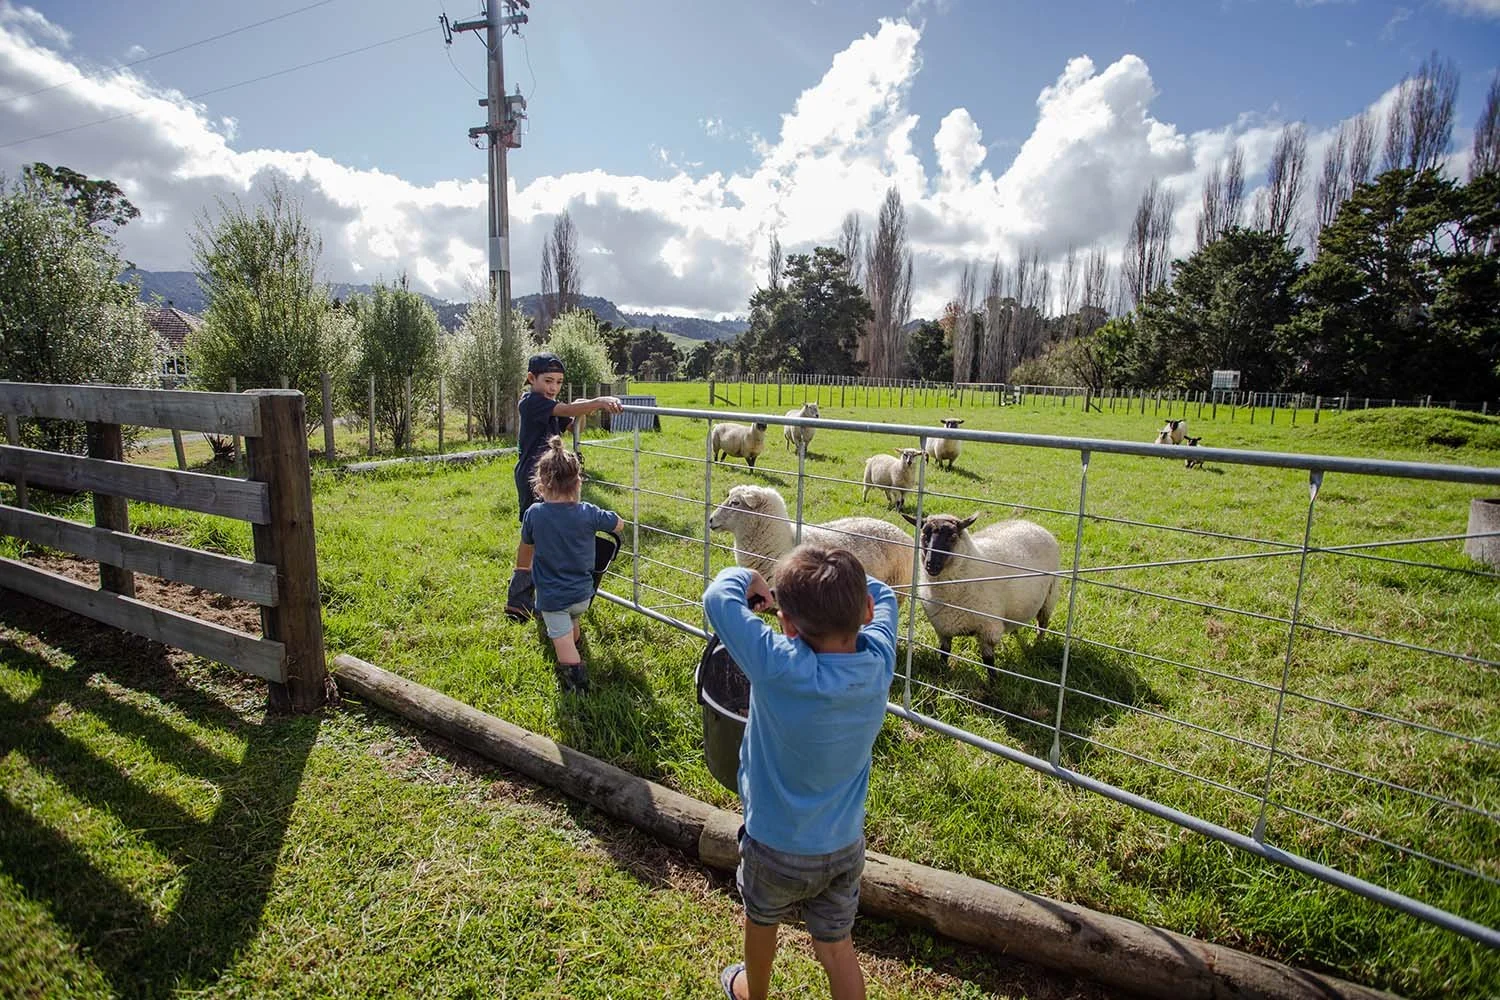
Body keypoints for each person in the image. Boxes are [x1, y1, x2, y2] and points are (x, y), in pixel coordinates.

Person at [702, 545, 898, 1000]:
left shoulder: (778, 664)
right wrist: (846, 590)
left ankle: (754, 989)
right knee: (836, 945)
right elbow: (884, 594)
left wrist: (748, 576)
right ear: (864, 612)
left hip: (773, 844)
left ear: (786, 624)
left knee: (760, 921)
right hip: (843, 845)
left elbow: (718, 597)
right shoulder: (879, 660)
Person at [504, 352, 622, 622]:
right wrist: (598, 401)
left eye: (558, 382)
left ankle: (551, 589)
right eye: (548, 381)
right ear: (531, 379)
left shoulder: (549, 403)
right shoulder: (531, 402)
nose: (553, 388)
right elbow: (567, 410)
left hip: (551, 476)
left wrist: (583, 408)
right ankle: (519, 596)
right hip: (533, 477)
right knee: (531, 534)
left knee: (550, 530)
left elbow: (572, 424)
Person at [519, 436, 624, 693]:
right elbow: (618, 523)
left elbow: (527, 544)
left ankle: (577, 685)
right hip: (583, 593)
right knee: (571, 622)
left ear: (541, 484)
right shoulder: (588, 512)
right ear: (578, 482)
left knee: (561, 640)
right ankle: (573, 642)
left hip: (553, 596)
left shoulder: (534, 514)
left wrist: (520, 573)